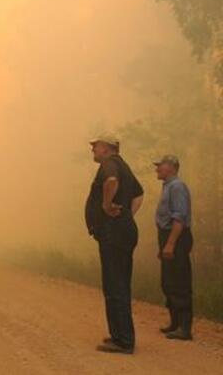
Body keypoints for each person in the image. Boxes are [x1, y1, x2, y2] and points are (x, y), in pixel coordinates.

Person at [85, 135, 144, 354]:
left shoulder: (110, 165)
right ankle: (119, 335)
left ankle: (124, 341)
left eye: (95, 147)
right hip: (122, 230)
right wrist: (127, 215)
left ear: (107, 149)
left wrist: (106, 206)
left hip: (114, 233)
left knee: (115, 285)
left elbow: (111, 182)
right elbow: (139, 194)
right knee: (117, 284)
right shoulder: (123, 166)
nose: (92, 150)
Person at [154, 155, 193, 341]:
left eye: (160, 166)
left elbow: (180, 218)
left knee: (179, 281)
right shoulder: (168, 186)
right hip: (167, 236)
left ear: (171, 167)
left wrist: (170, 244)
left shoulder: (177, 187)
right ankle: (175, 323)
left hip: (176, 237)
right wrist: (163, 245)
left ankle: (184, 328)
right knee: (168, 281)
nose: (157, 169)